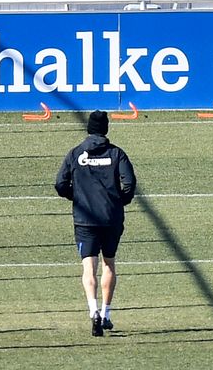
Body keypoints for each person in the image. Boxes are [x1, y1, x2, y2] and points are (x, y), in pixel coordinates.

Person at [55, 110, 136, 337]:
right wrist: (119, 202)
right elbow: (129, 184)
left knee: (88, 267)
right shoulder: (116, 154)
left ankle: (93, 311)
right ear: (106, 129)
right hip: (111, 218)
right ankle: (107, 313)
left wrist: (76, 197)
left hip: (85, 220)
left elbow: (60, 184)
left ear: (89, 129)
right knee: (109, 263)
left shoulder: (76, 153)